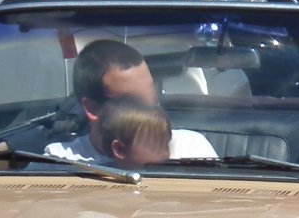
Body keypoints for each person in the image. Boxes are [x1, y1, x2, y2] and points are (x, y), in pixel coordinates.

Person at [44, 39, 217, 162]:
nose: (153, 108)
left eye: (153, 92)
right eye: (134, 104)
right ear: (93, 109)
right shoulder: (60, 163)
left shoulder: (191, 150)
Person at [96, 95, 172, 168]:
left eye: (166, 146)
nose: (165, 154)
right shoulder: (95, 177)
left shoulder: (173, 177)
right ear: (120, 149)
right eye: (156, 147)